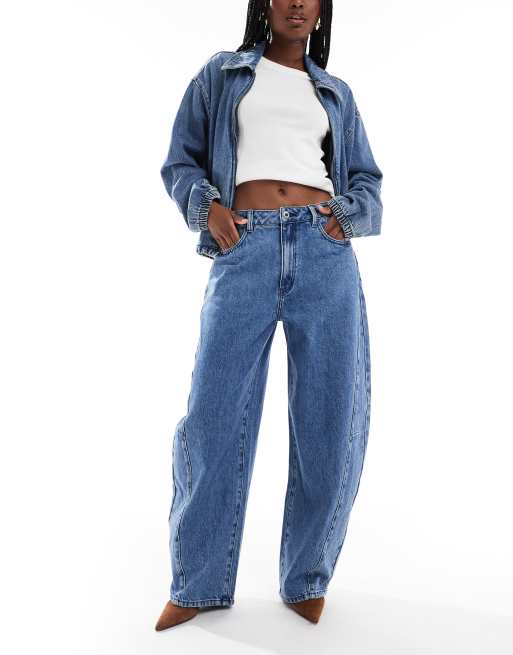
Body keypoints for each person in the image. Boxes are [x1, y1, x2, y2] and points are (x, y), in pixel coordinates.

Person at [155, 0, 383, 630]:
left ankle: (307, 576)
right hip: (244, 247)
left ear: (323, 8)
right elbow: (180, 161)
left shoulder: (336, 93)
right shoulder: (222, 74)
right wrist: (208, 208)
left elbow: (367, 180)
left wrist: (345, 217)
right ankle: (198, 582)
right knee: (212, 416)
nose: (297, 2)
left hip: (324, 251)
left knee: (330, 419)